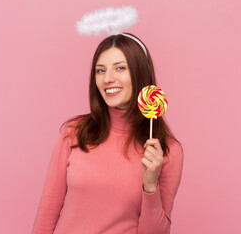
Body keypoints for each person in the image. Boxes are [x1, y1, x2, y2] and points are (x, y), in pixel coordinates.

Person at [32, 33, 184, 234]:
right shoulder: (75, 132)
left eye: (120, 68)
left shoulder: (166, 150)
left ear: (140, 73)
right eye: (100, 70)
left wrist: (150, 185)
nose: (107, 79)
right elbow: (47, 211)